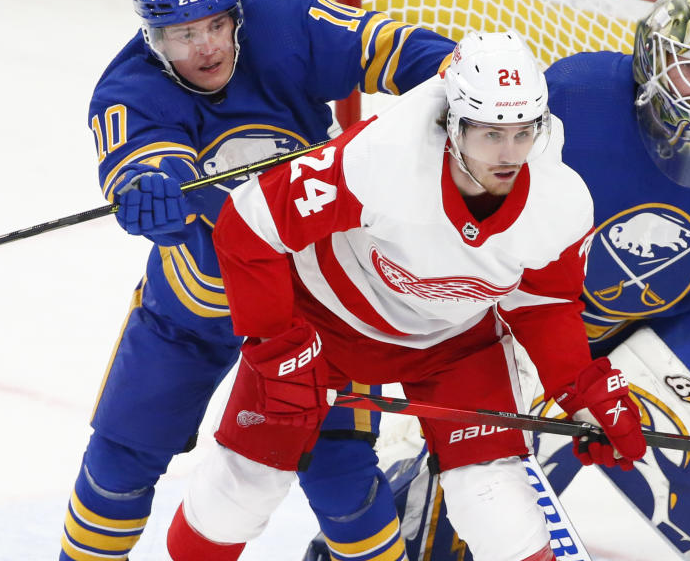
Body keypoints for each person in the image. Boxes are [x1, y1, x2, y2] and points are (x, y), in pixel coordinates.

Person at [334, 0, 690, 561]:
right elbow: (475, 205)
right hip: (533, 333)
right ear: (650, 59)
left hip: (662, 323)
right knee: (461, 526)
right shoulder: (574, 99)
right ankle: (382, 531)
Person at [162, 30, 647, 561]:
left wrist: (580, 391)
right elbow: (248, 224)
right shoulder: (382, 156)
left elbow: (543, 303)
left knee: (496, 504)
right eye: (489, 134)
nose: (510, 155)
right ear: (453, 125)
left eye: (523, 131)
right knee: (240, 489)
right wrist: (277, 348)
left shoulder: (561, 199)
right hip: (325, 322)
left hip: (455, 342)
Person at [58, 0, 457, 561]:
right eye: (185, 34)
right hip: (198, 302)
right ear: (152, 37)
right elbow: (143, 160)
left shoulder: (285, 25)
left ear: (236, 13)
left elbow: (390, 46)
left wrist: (461, 79)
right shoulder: (129, 89)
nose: (208, 46)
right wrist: (150, 194)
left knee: (342, 476)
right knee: (118, 464)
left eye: (217, 24)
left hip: (316, 303)